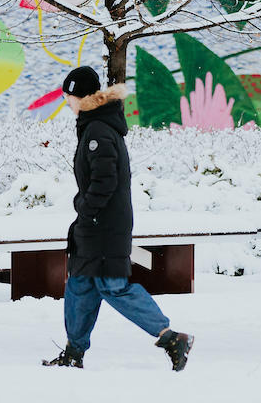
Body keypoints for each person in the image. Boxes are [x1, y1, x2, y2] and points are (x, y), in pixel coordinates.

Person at [43, 66, 194, 371]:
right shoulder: (94, 126)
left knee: (113, 287)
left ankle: (171, 337)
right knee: (80, 286)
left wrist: (85, 207)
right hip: (95, 225)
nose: (67, 102)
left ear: (81, 96)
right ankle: (74, 352)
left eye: (69, 96)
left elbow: (104, 181)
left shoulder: (98, 130)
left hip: (104, 227)